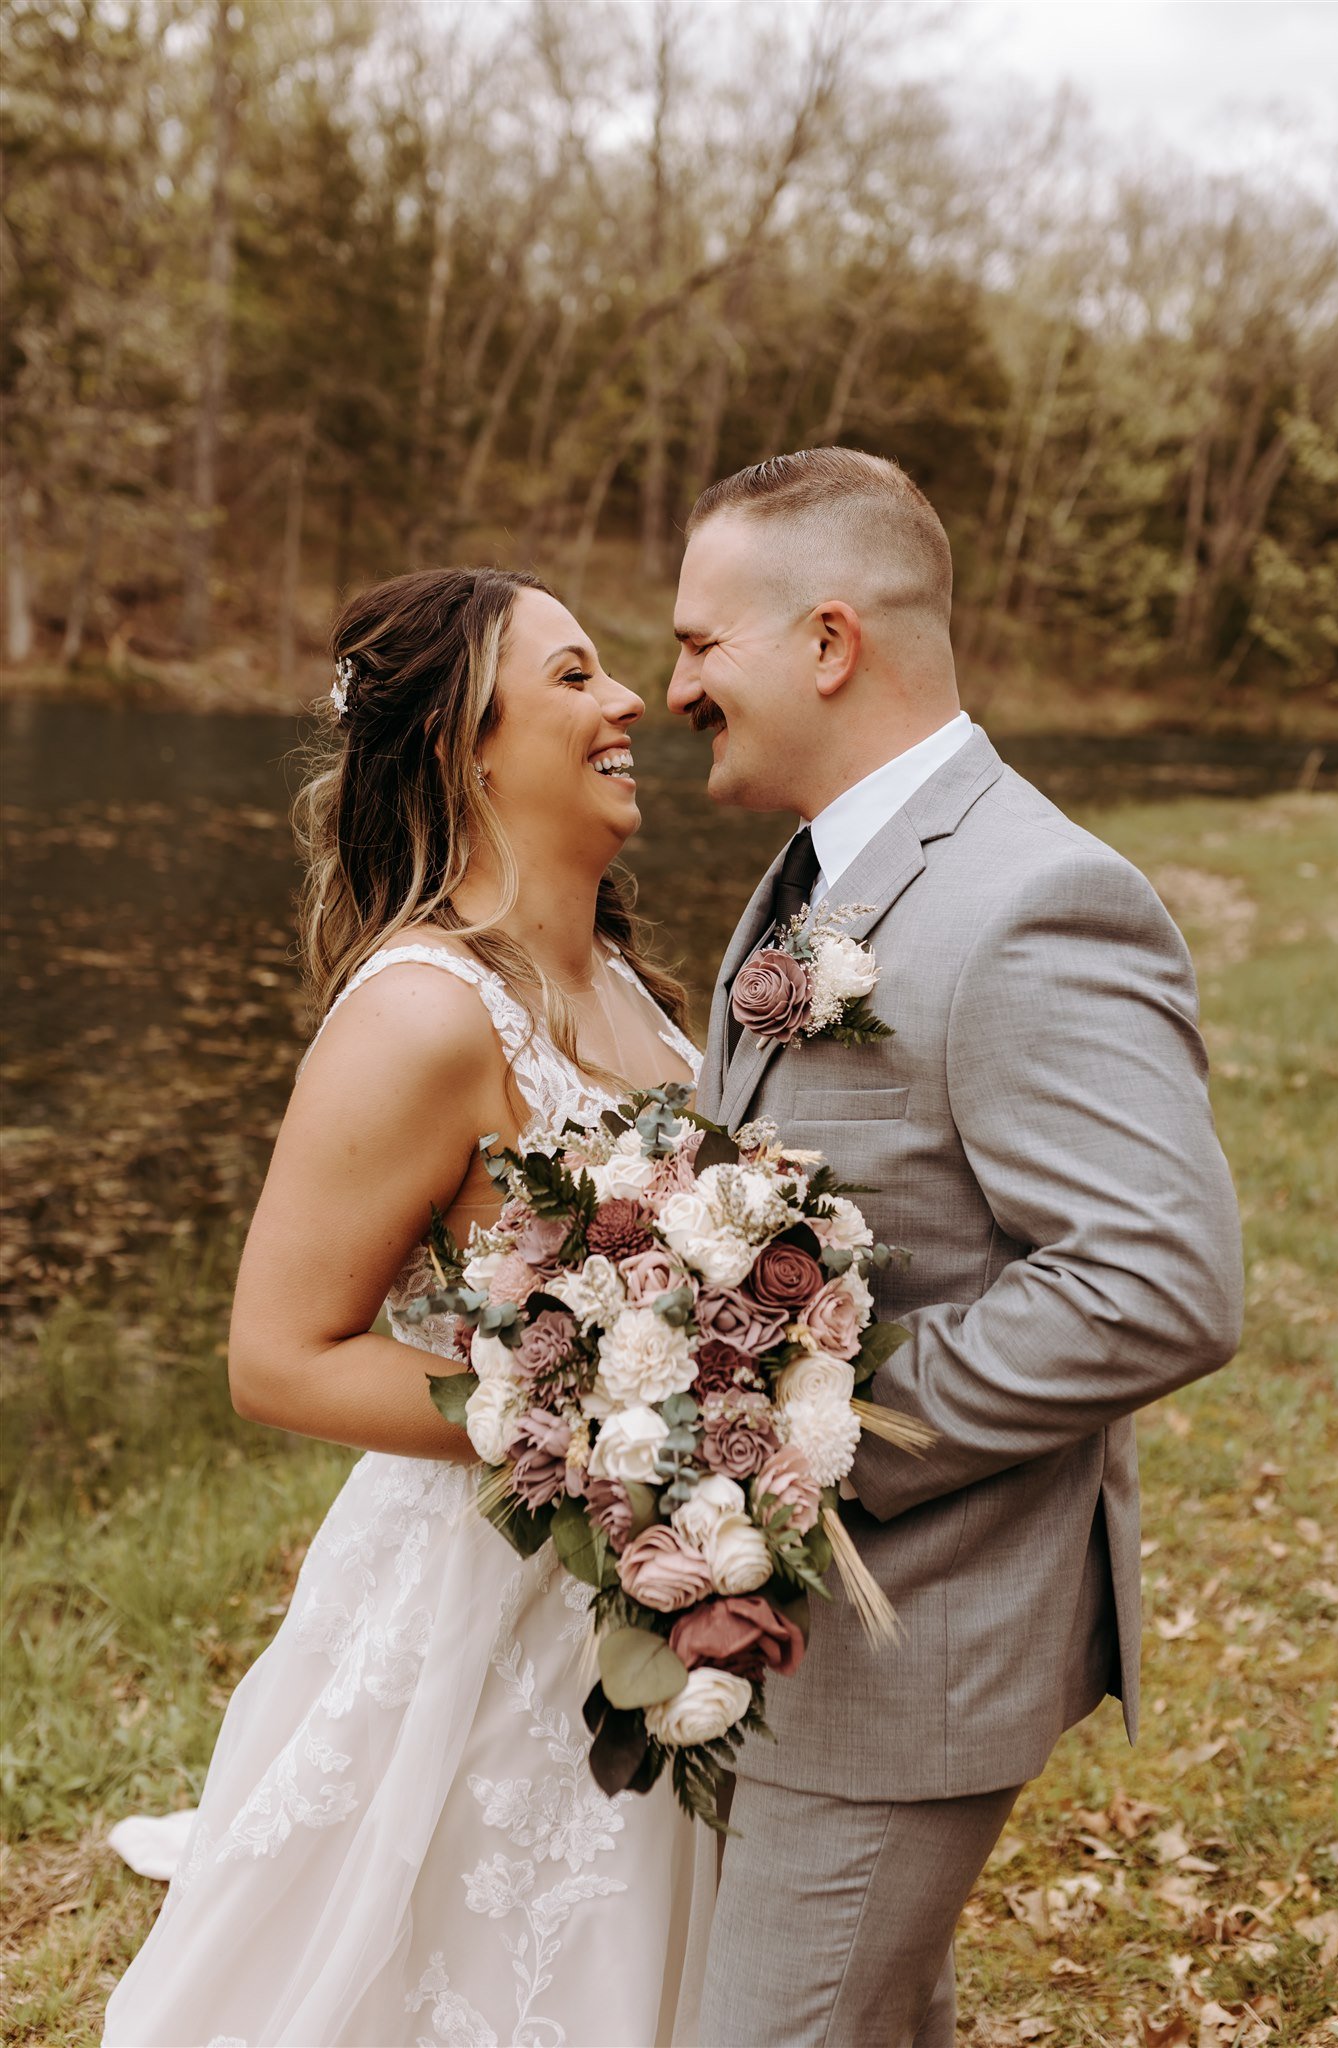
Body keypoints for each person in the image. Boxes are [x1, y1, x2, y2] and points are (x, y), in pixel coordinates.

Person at [668, 447, 1244, 2048]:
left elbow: (1156, 1282)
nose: (671, 688)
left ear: (828, 641)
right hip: (813, 1635)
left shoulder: (1032, 896)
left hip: (908, 1635)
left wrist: (808, 1438)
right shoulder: (827, 870)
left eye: (700, 642)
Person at [103, 567, 715, 2048]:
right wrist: (595, 1436)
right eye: (574, 676)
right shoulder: (426, 1013)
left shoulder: (634, 991)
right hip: (487, 1587)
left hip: (655, 1590)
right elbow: (277, 1358)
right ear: (464, 742)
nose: (627, 700)